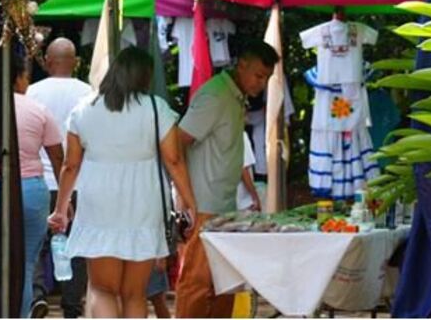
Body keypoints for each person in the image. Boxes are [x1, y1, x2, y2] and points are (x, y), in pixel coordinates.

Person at [48, 47, 197, 318]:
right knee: (134, 294)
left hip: (98, 202)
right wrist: (190, 204)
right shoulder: (156, 108)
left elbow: (70, 165)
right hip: (144, 202)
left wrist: (60, 208)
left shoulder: (84, 110)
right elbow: (174, 161)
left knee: (104, 290)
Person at [175, 40, 279, 318]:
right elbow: (177, 142)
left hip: (225, 205)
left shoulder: (234, 96)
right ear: (241, 65)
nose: (262, 83)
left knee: (225, 284)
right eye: (259, 75)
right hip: (204, 205)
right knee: (197, 284)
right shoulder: (215, 96)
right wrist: (184, 195)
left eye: (267, 77)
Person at [0, 57, 64, 318]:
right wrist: (65, 201)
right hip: (30, 193)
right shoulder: (37, 110)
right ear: (18, 77)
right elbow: (57, 158)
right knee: (24, 266)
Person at [27, 38, 93, 318]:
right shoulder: (89, 92)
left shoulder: (32, 92)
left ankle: (38, 295)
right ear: (75, 62)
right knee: (77, 245)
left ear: (48, 61)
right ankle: (72, 305)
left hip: (41, 179)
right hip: (78, 181)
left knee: (38, 245)